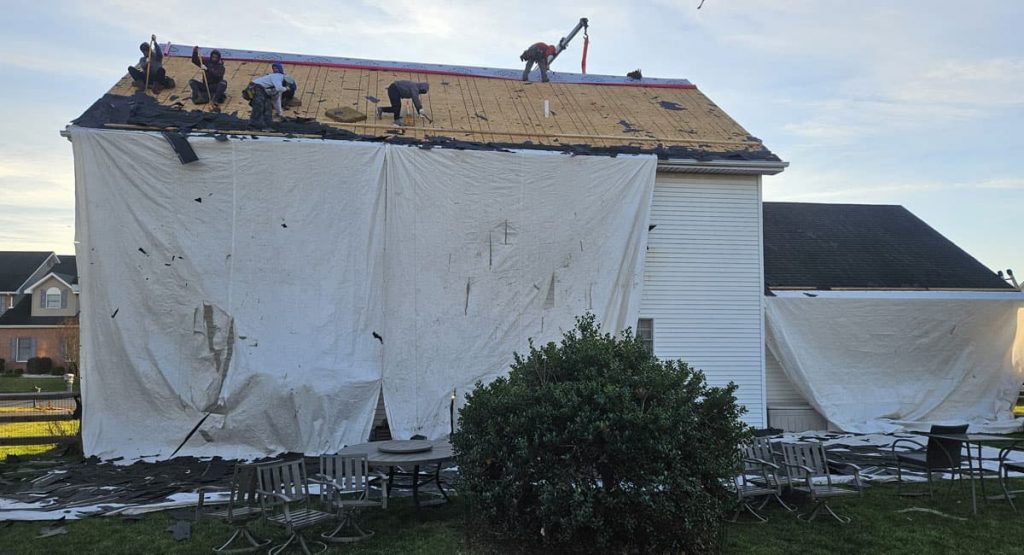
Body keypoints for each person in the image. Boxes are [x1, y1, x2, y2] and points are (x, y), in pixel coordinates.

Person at [243, 63, 289, 128]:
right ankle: (252, 125)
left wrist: (280, 113)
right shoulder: (278, 76)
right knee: (259, 106)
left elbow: (276, 101)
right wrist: (286, 88)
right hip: (255, 88)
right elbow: (279, 88)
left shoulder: (275, 86)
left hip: (261, 90)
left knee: (268, 107)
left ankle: (267, 125)